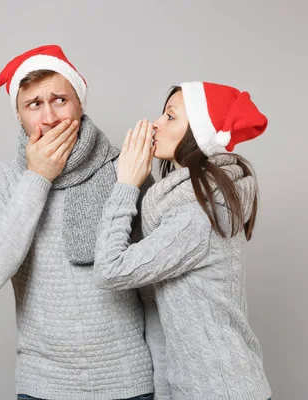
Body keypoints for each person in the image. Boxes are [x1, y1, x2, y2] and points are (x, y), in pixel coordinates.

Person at [0, 45, 156, 400]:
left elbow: (155, 292)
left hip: (129, 381)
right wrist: (38, 177)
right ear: (20, 116)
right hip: (43, 384)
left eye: (60, 99)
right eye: (34, 105)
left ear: (80, 104)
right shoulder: (1, 180)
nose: (50, 117)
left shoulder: (127, 170)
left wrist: (163, 385)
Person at [94, 82, 273, 399]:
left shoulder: (195, 216)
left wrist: (125, 184)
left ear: (198, 134)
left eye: (170, 116)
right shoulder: (196, 202)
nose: (156, 124)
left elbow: (110, 270)